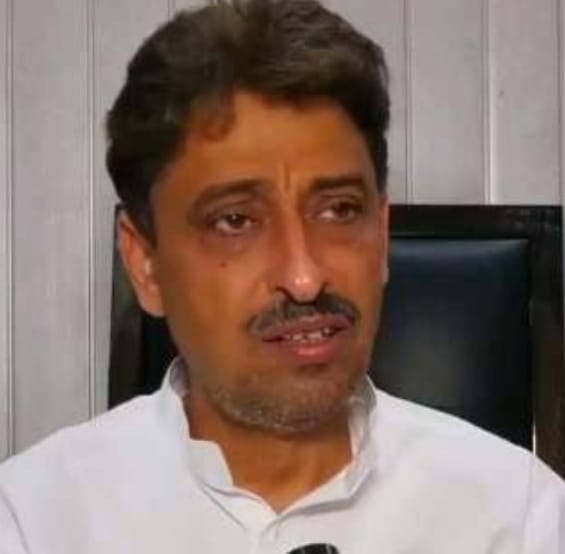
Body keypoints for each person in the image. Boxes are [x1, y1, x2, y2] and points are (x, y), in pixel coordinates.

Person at [1, 1, 564, 552]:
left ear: (382, 232)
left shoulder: (521, 518)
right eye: (235, 221)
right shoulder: (32, 521)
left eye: (339, 210)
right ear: (144, 264)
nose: (304, 278)